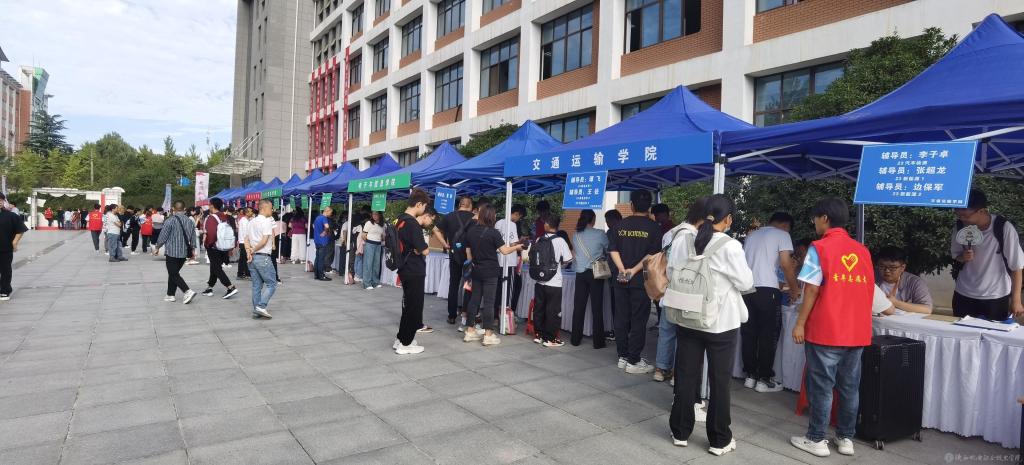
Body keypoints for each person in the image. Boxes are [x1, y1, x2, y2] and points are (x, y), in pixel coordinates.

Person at [790, 197, 888, 458]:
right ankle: (845, 438)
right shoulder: (862, 250)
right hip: (856, 331)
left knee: (821, 387)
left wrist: (800, 323)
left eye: (815, 218)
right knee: (849, 387)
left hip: (826, 329)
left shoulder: (819, 248)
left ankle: (816, 439)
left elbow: (811, 289)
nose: (814, 223)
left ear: (824, 218)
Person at [667, 194, 752, 457]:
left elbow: (671, 272)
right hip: (720, 323)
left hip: (687, 316)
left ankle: (680, 432)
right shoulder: (730, 246)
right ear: (728, 219)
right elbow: (746, 283)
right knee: (720, 381)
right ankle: (719, 439)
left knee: (685, 376)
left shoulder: (682, 240)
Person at [740, 212, 800, 393]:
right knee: (768, 334)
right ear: (785, 225)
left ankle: (750, 375)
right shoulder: (782, 235)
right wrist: (794, 288)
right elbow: (785, 263)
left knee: (749, 333)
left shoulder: (752, 236)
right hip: (768, 290)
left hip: (747, 289)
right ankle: (764, 378)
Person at [654, 197, 706, 384]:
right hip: (685, 291)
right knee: (684, 335)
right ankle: (677, 374)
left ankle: (660, 369)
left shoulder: (671, 233)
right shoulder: (693, 236)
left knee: (666, 331)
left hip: (668, 289)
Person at [951, 189, 1024, 321]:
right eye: (958, 214)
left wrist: (1016, 300)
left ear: (981, 211)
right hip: (964, 293)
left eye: (965, 215)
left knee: (993, 332)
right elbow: (956, 255)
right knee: (962, 330)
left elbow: (1017, 266)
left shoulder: (1003, 228)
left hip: (996, 295)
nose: (962, 219)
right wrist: (963, 257)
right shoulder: (960, 227)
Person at [609, 190, 661, 374]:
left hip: (620, 278)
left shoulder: (619, 225)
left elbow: (613, 250)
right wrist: (634, 270)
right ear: (649, 207)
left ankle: (623, 356)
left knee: (621, 317)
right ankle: (633, 360)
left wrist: (622, 269)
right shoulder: (654, 227)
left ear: (631, 205)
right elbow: (652, 254)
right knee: (639, 319)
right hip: (640, 281)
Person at [463, 204, 526, 347]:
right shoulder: (493, 233)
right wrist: (517, 247)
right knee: (489, 303)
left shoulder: (471, 231)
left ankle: (470, 331)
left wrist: (473, 264)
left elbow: (468, 252)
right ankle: (488, 335)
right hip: (490, 271)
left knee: (474, 300)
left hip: (476, 269)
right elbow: (505, 251)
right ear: (491, 216)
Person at [394, 188, 431, 355]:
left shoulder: (400, 220)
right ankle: (406, 344)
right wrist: (421, 248)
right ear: (419, 204)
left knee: (408, 306)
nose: (424, 210)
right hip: (414, 269)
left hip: (404, 267)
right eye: (424, 207)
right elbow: (424, 250)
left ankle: (401, 338)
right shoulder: (412, 223)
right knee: (414, 308)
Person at [532, 215, 573, 347]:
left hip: (539, 280)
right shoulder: (560, 240)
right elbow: (568, 259)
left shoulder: (539, 239)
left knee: (539, 308)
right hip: (554, 281)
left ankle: (538, 335)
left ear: (547, 225)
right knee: (553, 311)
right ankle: (550, 339)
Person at [571, 209, 609, 348]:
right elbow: (608, 250)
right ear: (593, 219)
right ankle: (598, 342)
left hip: (580, 273)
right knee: (597, 307)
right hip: (596, 272)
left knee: (578, 307)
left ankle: (575, 339)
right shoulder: (600, 234)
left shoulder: (576, 235)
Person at [435, 196, 475, 324]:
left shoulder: (449, 216)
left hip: (454, 255)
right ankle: (465, 314)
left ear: (460, 205)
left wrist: (444, 244)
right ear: (470, 206)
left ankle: (451, 315)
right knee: (468, 284)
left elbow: (435, 229)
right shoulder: (474, 218)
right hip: (470, 256)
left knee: (453, 284)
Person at [153, 201, 197, 305]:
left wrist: (157, 247)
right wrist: (193, 250)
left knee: (173, 274)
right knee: (173, 273)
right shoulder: (190, 221)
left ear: (173, 209)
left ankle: (187, 291)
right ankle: (170, 294)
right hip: (184, 252)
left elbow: (163, 236)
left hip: (172, 252)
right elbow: (193, 236)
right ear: (184, 209)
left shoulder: (170, 220)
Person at [874, 246, 933, 315]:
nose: (887, 271)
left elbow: (927, 309)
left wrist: (896, 303)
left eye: (892, 267)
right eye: (882, 266)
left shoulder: (915, 282)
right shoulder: (872, 277)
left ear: (902, 267)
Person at [201, 198, 240, 299]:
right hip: (224, 246)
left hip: (214, 246)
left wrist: (208, 244)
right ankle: (210, 287)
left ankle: (230, 287)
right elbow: (232, 231)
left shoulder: (211, 218)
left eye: (209, 204)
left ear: (212, 205)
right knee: (214, 266)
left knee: (216, 268)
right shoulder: (225, 216)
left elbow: (211, 234)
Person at [246, 199, 278, 319]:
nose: (272, 210)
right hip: (263, 256)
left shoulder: (251, 222)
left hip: (253, 258)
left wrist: (249, 251)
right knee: (272, 284)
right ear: (264, 208)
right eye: (270, 208)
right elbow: (264, 241)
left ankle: (256, 310)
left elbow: (246, 239)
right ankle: (261, 306)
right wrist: (253, 250)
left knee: (256, 286)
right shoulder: (266, 222)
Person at [494, 204, 526, 316]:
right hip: (509, 261)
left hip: (498, 260)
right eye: (519, 217)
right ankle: (507, 317)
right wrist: (521, 243)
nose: (518, 219)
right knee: (509, 290)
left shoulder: (498, 223)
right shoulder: (512, 225)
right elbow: (513, 244)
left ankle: (495, 315)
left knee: (497, 289)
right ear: (516, 214)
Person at [0, 194, 27, 300]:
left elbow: (20, 230)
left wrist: (15, 242)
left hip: (5, 248)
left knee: (5, 270)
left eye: (1, 200)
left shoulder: (11, 216)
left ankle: (4, 290)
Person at [604, 209, 623, 342]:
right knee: (621, 301)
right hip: (624, 270)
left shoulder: (613, 232)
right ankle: (622, 329)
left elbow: (608, 250)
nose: (607, 223)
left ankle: (617, 330)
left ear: (614, 220)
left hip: (616, 271)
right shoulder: (621, 230)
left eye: (608, 221)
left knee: (617, 301)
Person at [361, 210, 385, 289]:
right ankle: (367, 283)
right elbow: (363, 235)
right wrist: (368, 242)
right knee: (368, 264)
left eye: (376, 214)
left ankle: (375, 282)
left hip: (378, 245)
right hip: (370, 244)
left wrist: (382, 238)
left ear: (380, 215)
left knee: (376, 265)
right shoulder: (369, 223)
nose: (374, 215)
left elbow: (383, 236)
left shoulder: (382, 224)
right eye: (373, 214)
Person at [313, 206, 334, 281]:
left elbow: (313, 226)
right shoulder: (324, 218)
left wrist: (318, 232)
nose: (331, 214)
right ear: (327, 211)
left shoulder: (317, 217)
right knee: (321, 259)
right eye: (330, 212)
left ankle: (316, 275)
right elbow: (327, 227)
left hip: (317, 240)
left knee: (317, 258)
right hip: (323, 241)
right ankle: (321, 276)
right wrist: (325, 232)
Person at [236, 208, 253, 280]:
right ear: (246, 213)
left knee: (243, 259)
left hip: (243, 241)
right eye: (251, 211)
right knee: (246, 258)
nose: (252, 213)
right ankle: (247, 274)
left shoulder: (244, 220)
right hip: (244, 242)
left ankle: (241, 273)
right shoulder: (245, 221)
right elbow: (246, 233)